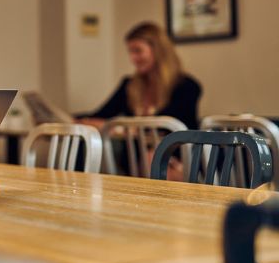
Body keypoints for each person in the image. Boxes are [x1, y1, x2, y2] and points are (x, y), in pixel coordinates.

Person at [78, 22, 202, 180]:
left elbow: (177, 128)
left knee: (154, 158)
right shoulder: (129, 85)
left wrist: (124, 129)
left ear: (157, 50)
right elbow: (101, 114)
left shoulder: (187, 86)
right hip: (135, 161)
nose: (133, 58)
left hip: (176, 159)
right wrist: (76, 119)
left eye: (137, 51)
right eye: (130, 52)